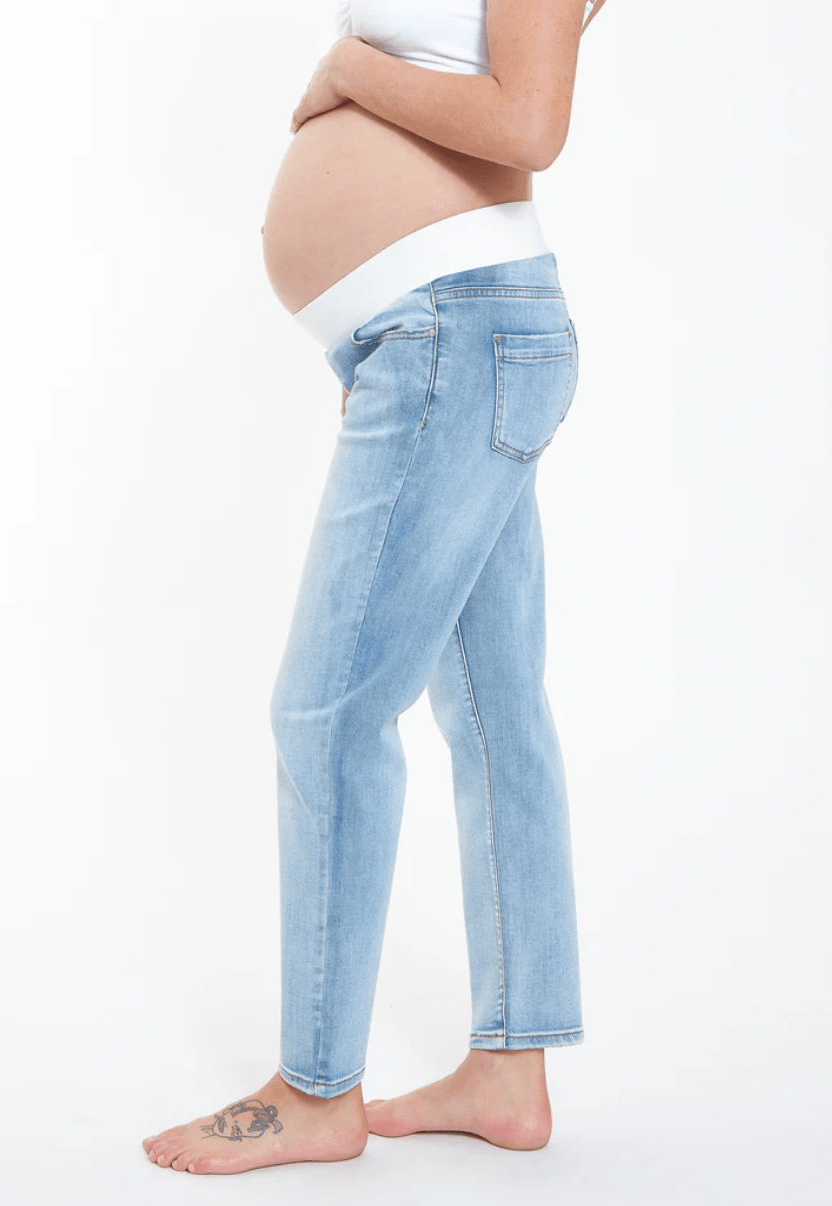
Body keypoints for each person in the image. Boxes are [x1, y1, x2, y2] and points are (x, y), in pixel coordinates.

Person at [142, 0, 604, 1175]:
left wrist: (350, 68)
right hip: (438, 336)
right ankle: (510, 1071)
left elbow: (529, 124)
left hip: (456, 328)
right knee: (495, 711)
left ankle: (315, 1088)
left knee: (328, 714)